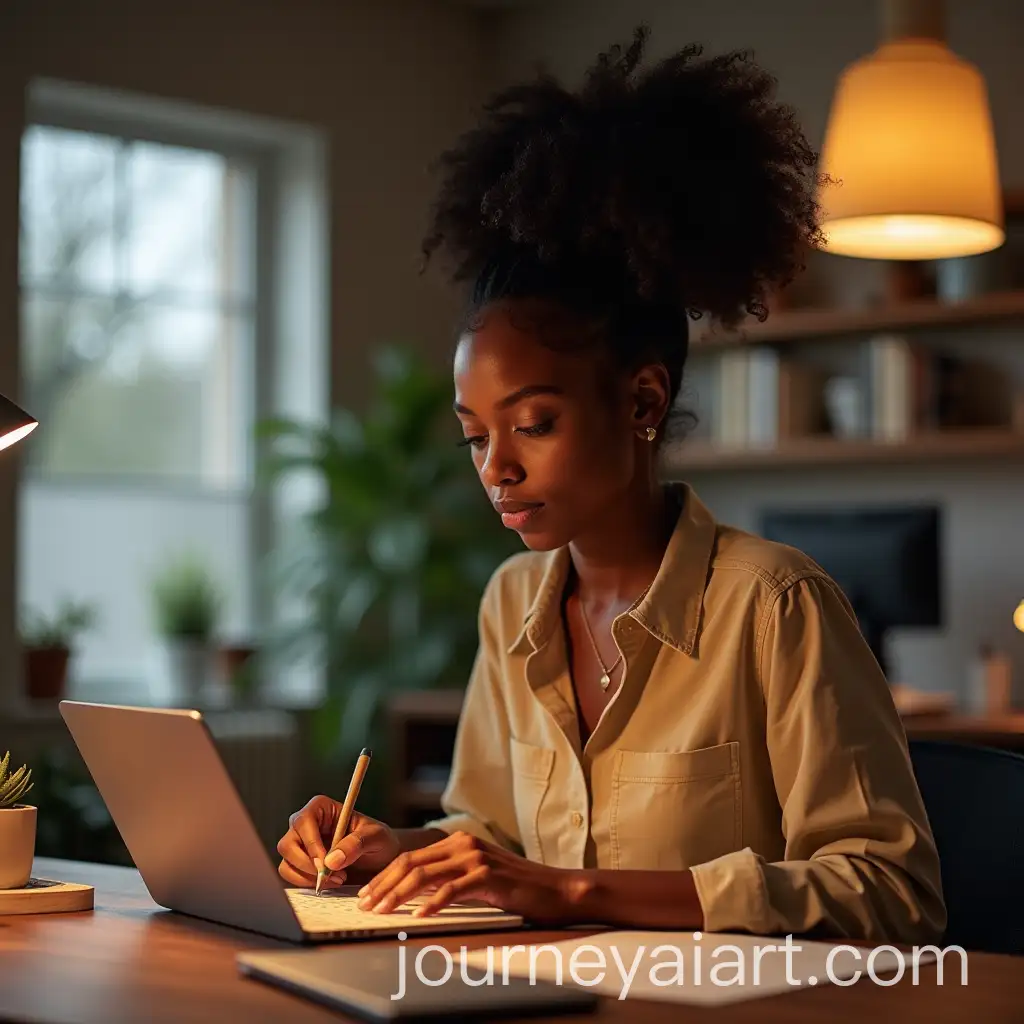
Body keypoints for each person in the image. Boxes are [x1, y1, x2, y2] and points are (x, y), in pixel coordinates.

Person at [277, 27, 946, 943]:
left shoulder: (774, 606)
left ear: (642, 399)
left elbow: (890, 893)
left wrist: (575, 891)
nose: (495, 468)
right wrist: (395, 852)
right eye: (475, 435)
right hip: (544, 996)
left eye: (533, 424)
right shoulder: (512, 602)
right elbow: (491, 837)